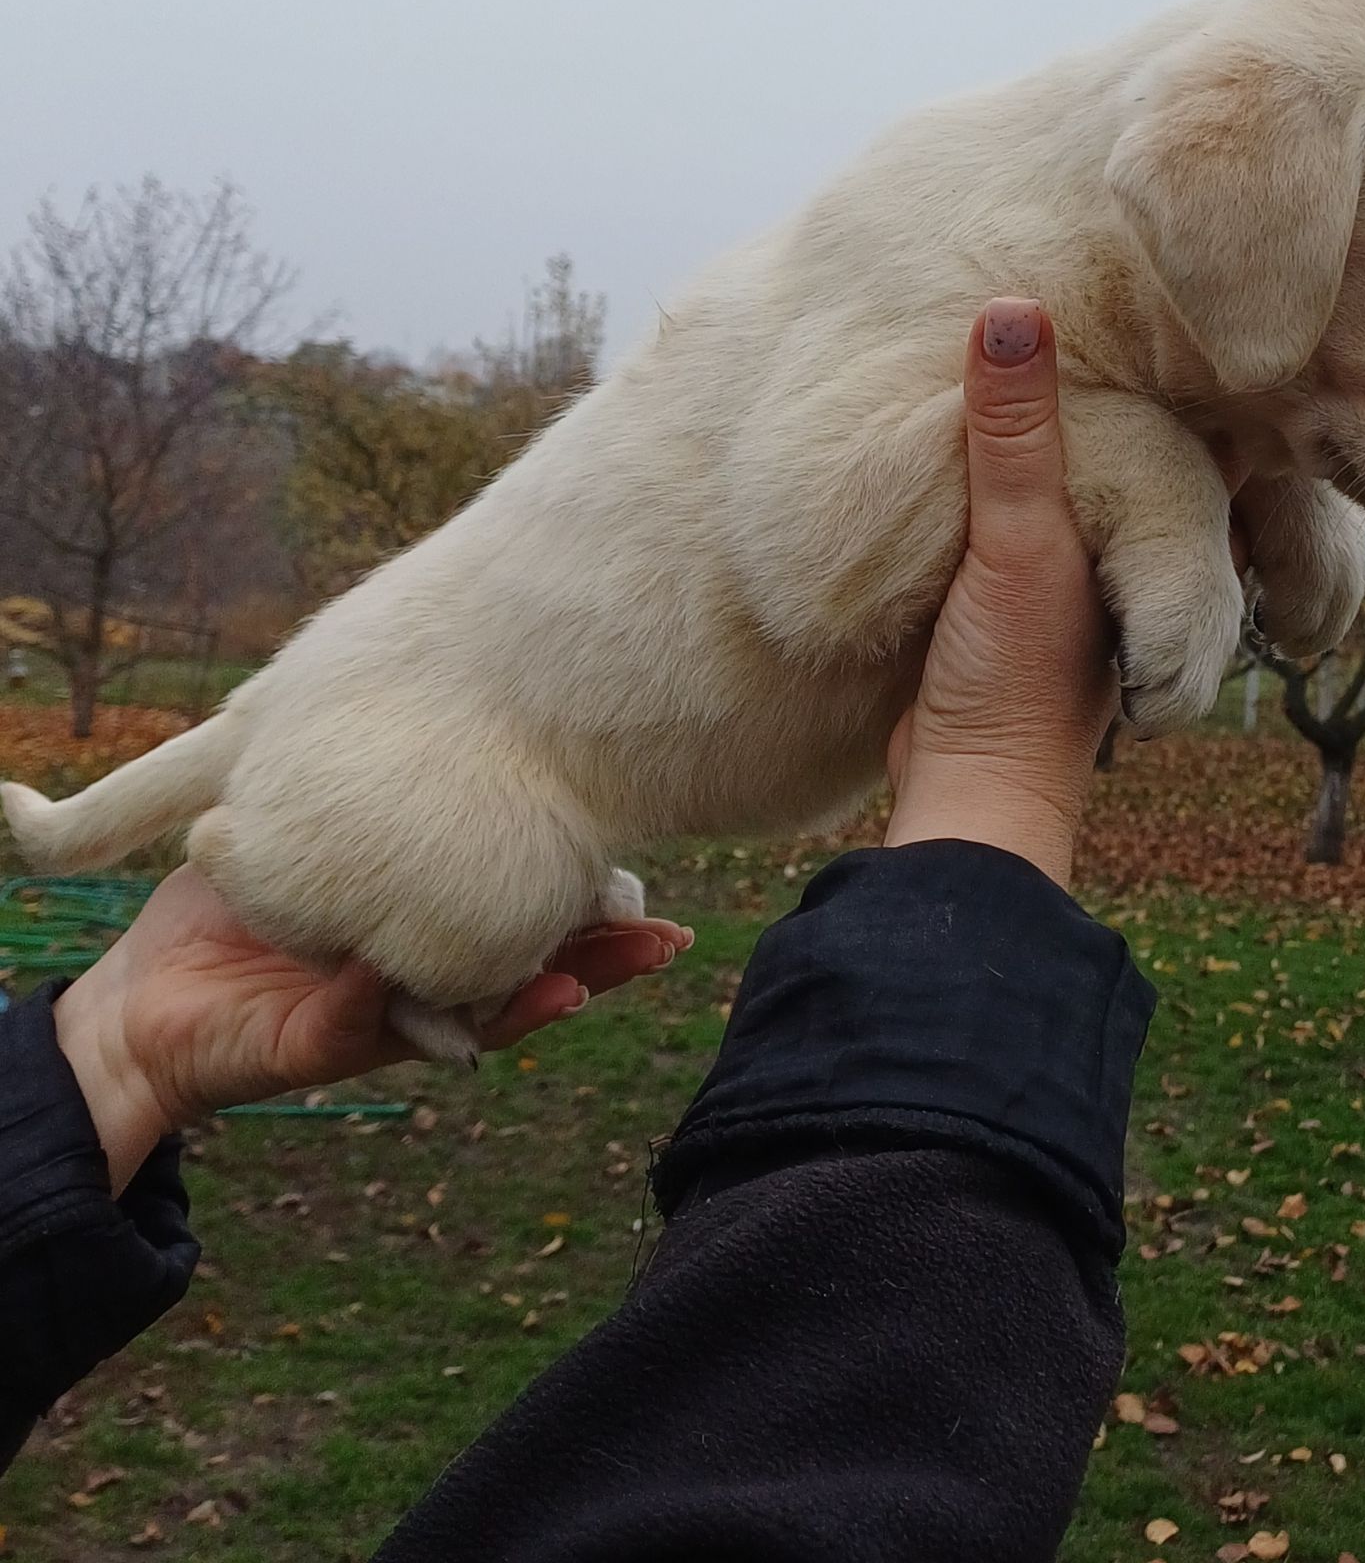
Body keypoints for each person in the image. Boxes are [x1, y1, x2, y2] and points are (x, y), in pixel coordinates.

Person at [0, 298, 1173, 1560]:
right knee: (477, 925)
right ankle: (257, 849)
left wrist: (113, 1051)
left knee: (484, 911)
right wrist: (994, 774)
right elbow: (819, 1453)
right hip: (442, 742)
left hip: (384, 721)